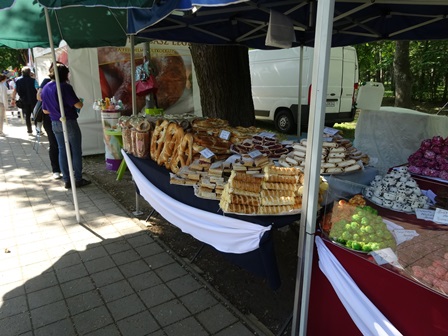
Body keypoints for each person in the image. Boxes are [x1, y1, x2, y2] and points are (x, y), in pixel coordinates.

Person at [41, 63, 91, 189]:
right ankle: (78, 178)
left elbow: (45, 110)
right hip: (68, 121)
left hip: (54, 122)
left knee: (62, 149)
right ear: (65, 74)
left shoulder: (46, 87)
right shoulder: (64, 87)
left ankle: (67, 179)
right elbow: (78, 105)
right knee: (75, 150)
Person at [37, 64, 61, 179]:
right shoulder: (47, 82)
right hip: (49, 117)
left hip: (62, 117)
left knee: (65, 144)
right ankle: (55, 169)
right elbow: (39, 96)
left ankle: (65, 167)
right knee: (54, 143)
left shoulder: (65, 82)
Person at [12, 67, 37, 135]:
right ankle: (38, 130)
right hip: (33, 100)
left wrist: (13, 99)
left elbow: (14, 91)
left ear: (22, 73)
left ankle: (29, 131)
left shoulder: (18, 81)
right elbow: (38, 90)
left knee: (27, 116)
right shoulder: (33, 80)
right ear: (29, 73)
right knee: (36, 115)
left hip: (24, 101)